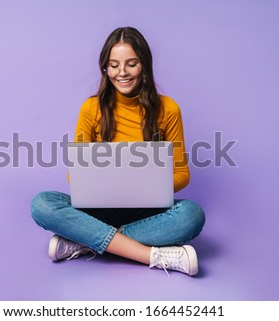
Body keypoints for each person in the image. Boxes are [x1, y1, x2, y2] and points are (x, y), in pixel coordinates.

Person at [31, 27, 205, 276]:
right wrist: (105, 183)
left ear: (144, 65)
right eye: (113, 65)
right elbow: (75, 176)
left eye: (131, 64)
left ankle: (84, 241)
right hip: (100, 209)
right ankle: (152, 255)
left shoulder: (169, 109)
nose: (121, 72)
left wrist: (145, 185)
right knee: (42, 204)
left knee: (191, 215)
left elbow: (182, 174)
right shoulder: (91, 109)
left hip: (148, 210)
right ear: (105, 68)